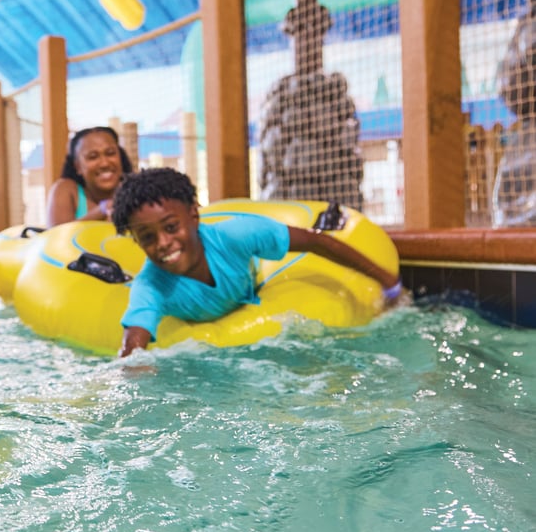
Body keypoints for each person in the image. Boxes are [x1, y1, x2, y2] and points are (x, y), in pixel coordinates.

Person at [111, 167, 403, 358]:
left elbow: (318, 242)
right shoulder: (150, 286)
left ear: (193, 215)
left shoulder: (236, 235)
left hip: (252, 284)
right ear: (136, 241)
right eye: (148, 237)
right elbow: (131, 349)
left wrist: (389, 283)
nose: (163, 243)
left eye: (171, 227)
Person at [46, 126, 133, 227]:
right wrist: (102, 210)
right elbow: (57, 235)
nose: (104, 163)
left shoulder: (135, 190)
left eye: (110, 153)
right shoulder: (66, 189)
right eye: (93, 157)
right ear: (78, 166)